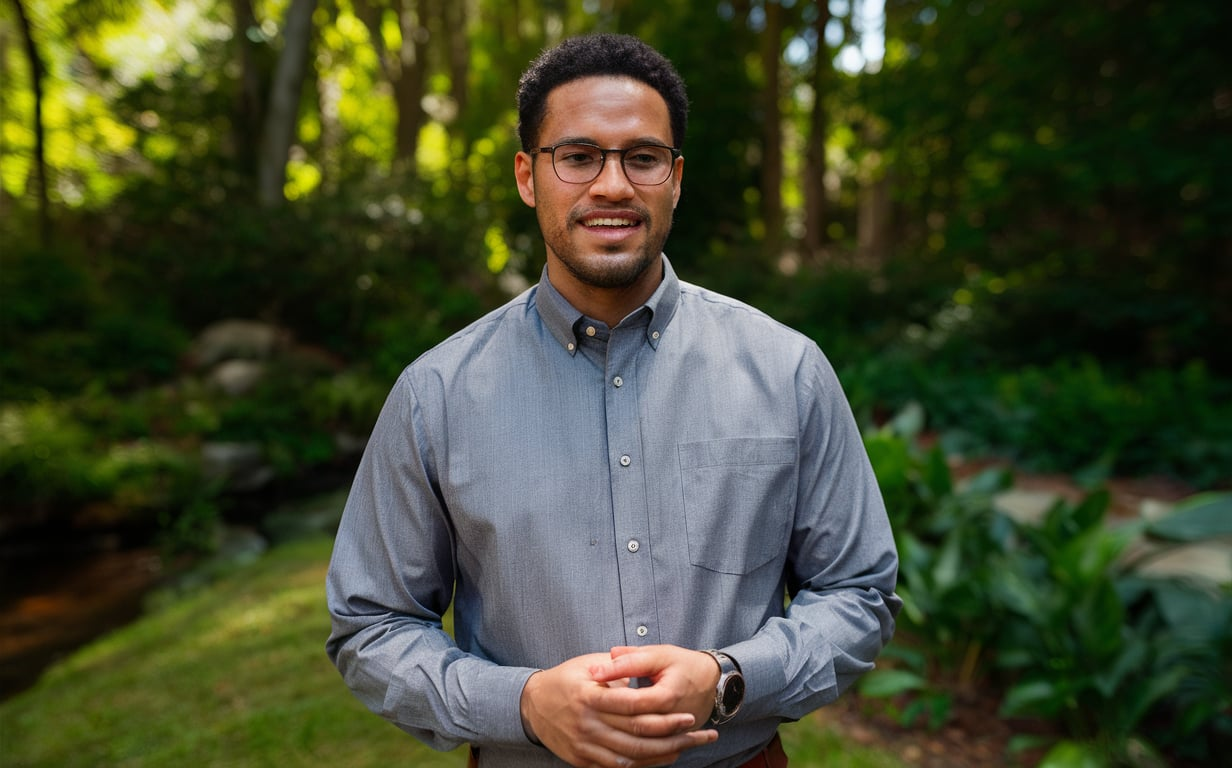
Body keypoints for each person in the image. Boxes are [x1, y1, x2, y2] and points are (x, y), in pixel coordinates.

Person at [326, 32, 900, 768]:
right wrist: (523, 703)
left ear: (676, 176)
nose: (612, 186)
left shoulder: (787, 370)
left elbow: (858, 590)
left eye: (642, 157)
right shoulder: (434, 396)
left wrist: (729, 679)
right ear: (529, 176)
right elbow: (370, 622)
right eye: (578, 156)